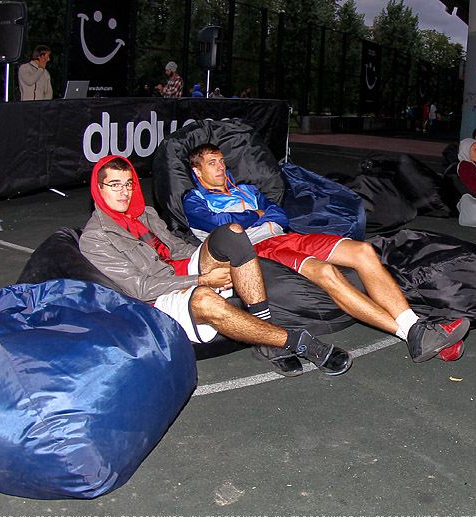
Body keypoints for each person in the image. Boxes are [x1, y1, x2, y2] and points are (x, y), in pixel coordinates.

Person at [182, 143, 471, 363]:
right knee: (326, 272)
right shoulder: (194, 199)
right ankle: (413, 332)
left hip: (288, 236)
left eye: (221, 161)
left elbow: (279, 214)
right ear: (198, 172)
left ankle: (418, 330)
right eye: (212, 163)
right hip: (259, 248)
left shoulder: (246, 189)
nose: (220, 167)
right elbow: (222, 225)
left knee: (364, 251)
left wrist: (260, 213)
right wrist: (256, 215)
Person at [80, 155, 352, 377]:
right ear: (99, 189)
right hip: (157, 296)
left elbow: (178, 248)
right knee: (206, 301)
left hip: (182, 268)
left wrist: (208, 256)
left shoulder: (145, 214)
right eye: (114, 185)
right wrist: (202, 279)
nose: (124, 192)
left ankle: (263, 332)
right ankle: (296, 342)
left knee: (232, 231)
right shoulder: (95, 238)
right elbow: (141, 287)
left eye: (128, 184)